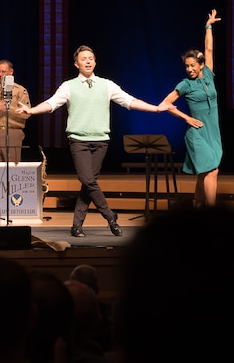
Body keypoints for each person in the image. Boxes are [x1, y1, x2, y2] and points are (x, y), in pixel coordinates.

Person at [19, 45, 163, 238]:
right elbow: (51, 103)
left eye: (91, 58)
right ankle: (110, 216)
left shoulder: (107, 85)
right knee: (87, 180)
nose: (87, 61)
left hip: (101, 141)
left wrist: (155, 109)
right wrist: (31, 110)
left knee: (89, 184)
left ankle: (76, 226)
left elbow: (129, 101)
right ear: (76, 64)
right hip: (79, 141)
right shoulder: (69, 86)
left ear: (95, 62)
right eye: (83, 58)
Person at [159, 9, 223, 208]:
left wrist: (208, 26)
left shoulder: (209, 75)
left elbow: (209, 49)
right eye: (187, 66)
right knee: (212, 171)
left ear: (201, 65)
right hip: (197, 133)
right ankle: (212, 214)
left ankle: (197, 209)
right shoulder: (185, 84)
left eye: (193, 65)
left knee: (205, 173)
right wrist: (186, 118)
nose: (190, 69)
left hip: (213, 132)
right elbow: (165, 104)